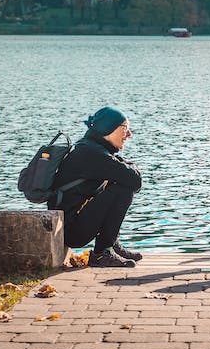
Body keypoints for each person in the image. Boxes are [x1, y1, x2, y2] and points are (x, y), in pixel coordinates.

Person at [53, 106, 143, 267]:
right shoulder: (93, 154)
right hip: (71, 231)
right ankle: (102, 253)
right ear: (108, 129)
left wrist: (126, 165)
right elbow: (135, 181)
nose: (129, 134)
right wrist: (129, 166)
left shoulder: (90, 148)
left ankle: (111, 244)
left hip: (70, 225)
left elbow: (127, 174)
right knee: (123, 189)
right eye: (125, 128)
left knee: (119, 182)